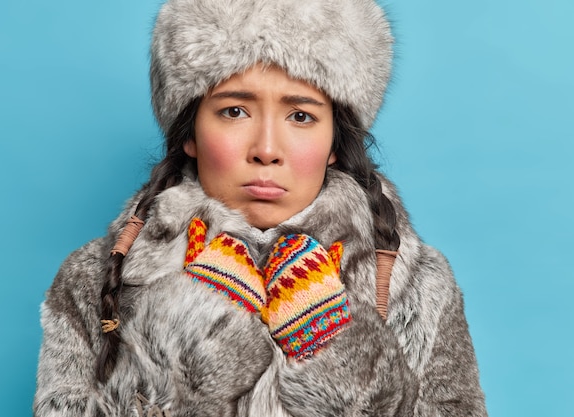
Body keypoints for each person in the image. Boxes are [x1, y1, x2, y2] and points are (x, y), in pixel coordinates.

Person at [33, 0, 487, 415]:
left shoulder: (419, 286)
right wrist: (190, 336)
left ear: (334, 143)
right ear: (189, 133)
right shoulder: (93, 279)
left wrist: (335, 356)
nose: (267, 149)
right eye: (234, 111)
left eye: (301, 116)